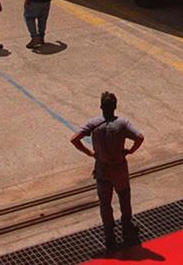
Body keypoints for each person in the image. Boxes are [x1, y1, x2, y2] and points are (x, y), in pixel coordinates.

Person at [71, 92, 145, 252]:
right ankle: (126, 226)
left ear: (101, 107)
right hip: (119, 167)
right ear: (115, 107)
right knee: (124, 196)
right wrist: (130, 151)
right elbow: (139, 137)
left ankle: (109, 235)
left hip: (102, 169)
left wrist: (90, 153)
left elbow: (74, 139)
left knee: (105, 203)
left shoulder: (94, 124)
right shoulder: (123, 124)